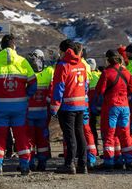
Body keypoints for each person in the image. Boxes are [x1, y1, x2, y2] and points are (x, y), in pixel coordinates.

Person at [0, 34, 36, 176]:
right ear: (14, 46)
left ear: (2, 46)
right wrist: (27, 96)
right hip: (19, 108)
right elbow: (33, 82)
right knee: (22, 136)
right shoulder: (22, 61)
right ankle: (24, 166)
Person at [51, 39, 89, 175]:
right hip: (80, 104)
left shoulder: (63, 65)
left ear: (64, 51)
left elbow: (59, 87)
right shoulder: (82, 64)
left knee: (69, 136)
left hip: (67, 106)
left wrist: (54, 107)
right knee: (80, 134)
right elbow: (85, 85)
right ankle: (83, 164)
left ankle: (69, 164)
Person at [95, 50, 132, 171]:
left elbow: (100, 91)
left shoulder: (106, 73)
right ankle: (128, 162)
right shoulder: (127, 72)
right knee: (125, 134)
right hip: (125, 108)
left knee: (109, 134)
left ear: (108, 60)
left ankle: (109, 163)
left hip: (111, 107)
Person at [26, 49, 53, 171]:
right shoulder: (49, 72)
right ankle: (43, 162)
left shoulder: (26, 72)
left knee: (29, 139)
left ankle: (30, 162)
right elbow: (53, 91)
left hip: (28, 112)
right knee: (42, 138)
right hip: (43, 113)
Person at [84, 55, 100, 167]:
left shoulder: (89, 76)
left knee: (89, 129)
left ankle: (90, 149)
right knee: (93, 129)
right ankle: (96, 148)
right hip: (98, 106)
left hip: (88, 106)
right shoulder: (99, 75)